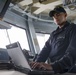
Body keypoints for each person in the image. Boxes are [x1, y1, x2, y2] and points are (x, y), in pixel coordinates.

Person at [30, 6, 76, 74]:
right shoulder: (53, 34)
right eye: (53, 16)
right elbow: (45, 50)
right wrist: (36, 63)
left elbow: (72, 52)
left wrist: (53, 66)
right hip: (54, 69)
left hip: (68, 70)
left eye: (58, 14)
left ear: (65, 15)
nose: (55, 17)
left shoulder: (73, 29)